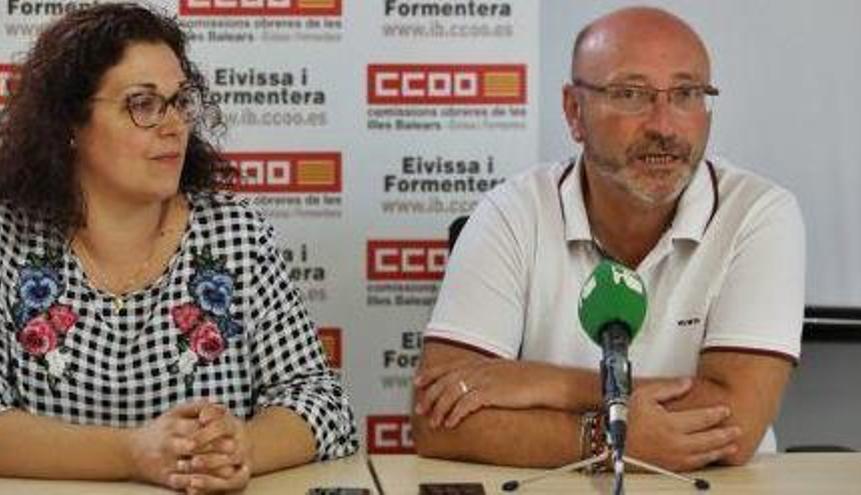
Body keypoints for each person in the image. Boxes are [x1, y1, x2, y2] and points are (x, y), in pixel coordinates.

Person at [412, 6, 805, 472]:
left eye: (686, 94)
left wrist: (546, 385)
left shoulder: (758, 213)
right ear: (574, 112)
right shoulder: (511, 212)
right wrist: (607, 436)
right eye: (631, 94)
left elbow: (731, 425)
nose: (664, 125)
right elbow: (439, 421)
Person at [0, 3, 357, 493]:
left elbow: (324, 403)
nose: (174, 126)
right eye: (143, 105)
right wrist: (133, 452)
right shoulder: (8, 239)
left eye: (179, 101)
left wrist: (243, 447)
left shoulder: (235, 233)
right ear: (69, 122)